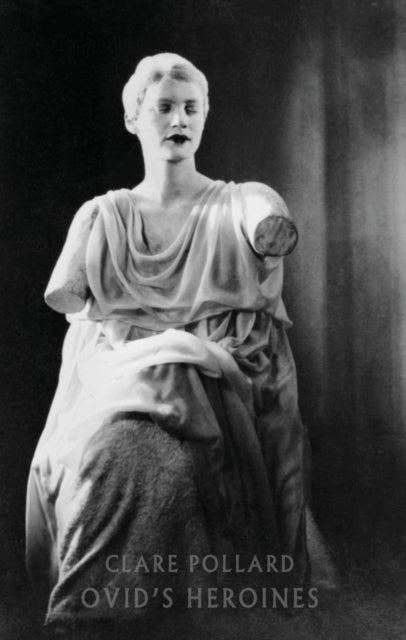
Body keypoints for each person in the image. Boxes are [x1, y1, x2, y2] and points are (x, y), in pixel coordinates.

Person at [26, 53, 336, 632]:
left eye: (192, 108)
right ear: (133, 118)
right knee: (110, 458)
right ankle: (90, 616)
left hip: (223, 389)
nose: (179, 120)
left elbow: (269, 226)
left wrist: (264, 229)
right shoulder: (102, 216)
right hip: (121, 388)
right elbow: (68, 296)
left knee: (182, 471)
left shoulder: (242, 201)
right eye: (164, 107)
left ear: (205, 116)